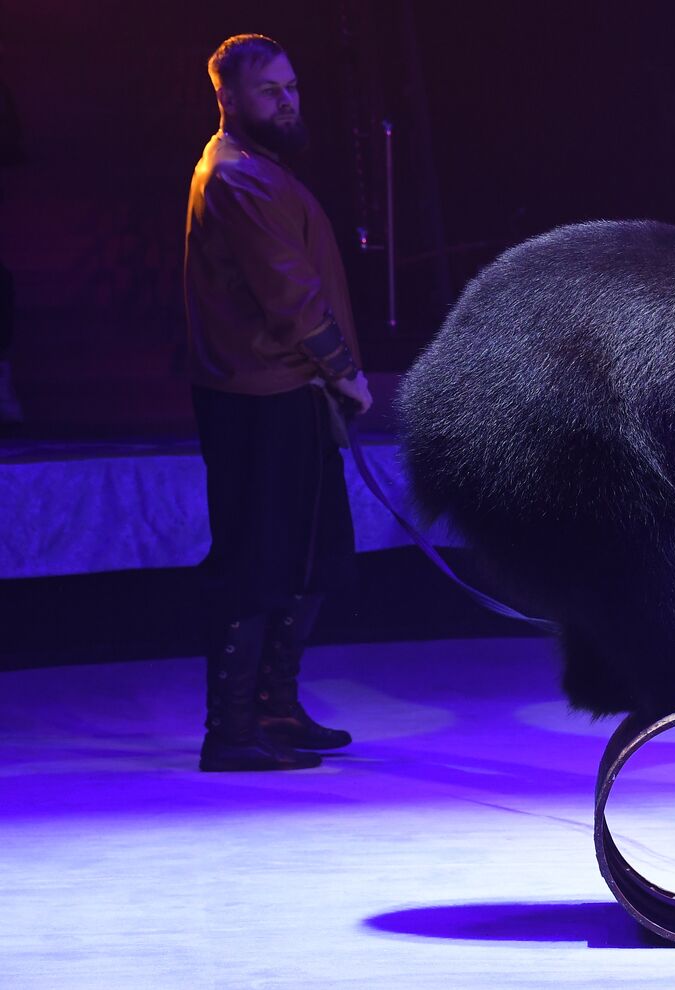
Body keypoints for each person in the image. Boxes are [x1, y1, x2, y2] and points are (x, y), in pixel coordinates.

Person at [184, 34, 372, 771]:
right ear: (228, 96)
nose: (288, 100)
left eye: (292, 87)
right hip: (260, 396)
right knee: (258, 560)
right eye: (271, 90)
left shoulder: (260, 169)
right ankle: (230, 730)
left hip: (289, 390)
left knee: (311, 555)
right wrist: (346, 373)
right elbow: (289, 295)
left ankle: (274, 707)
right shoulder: (237, 177)